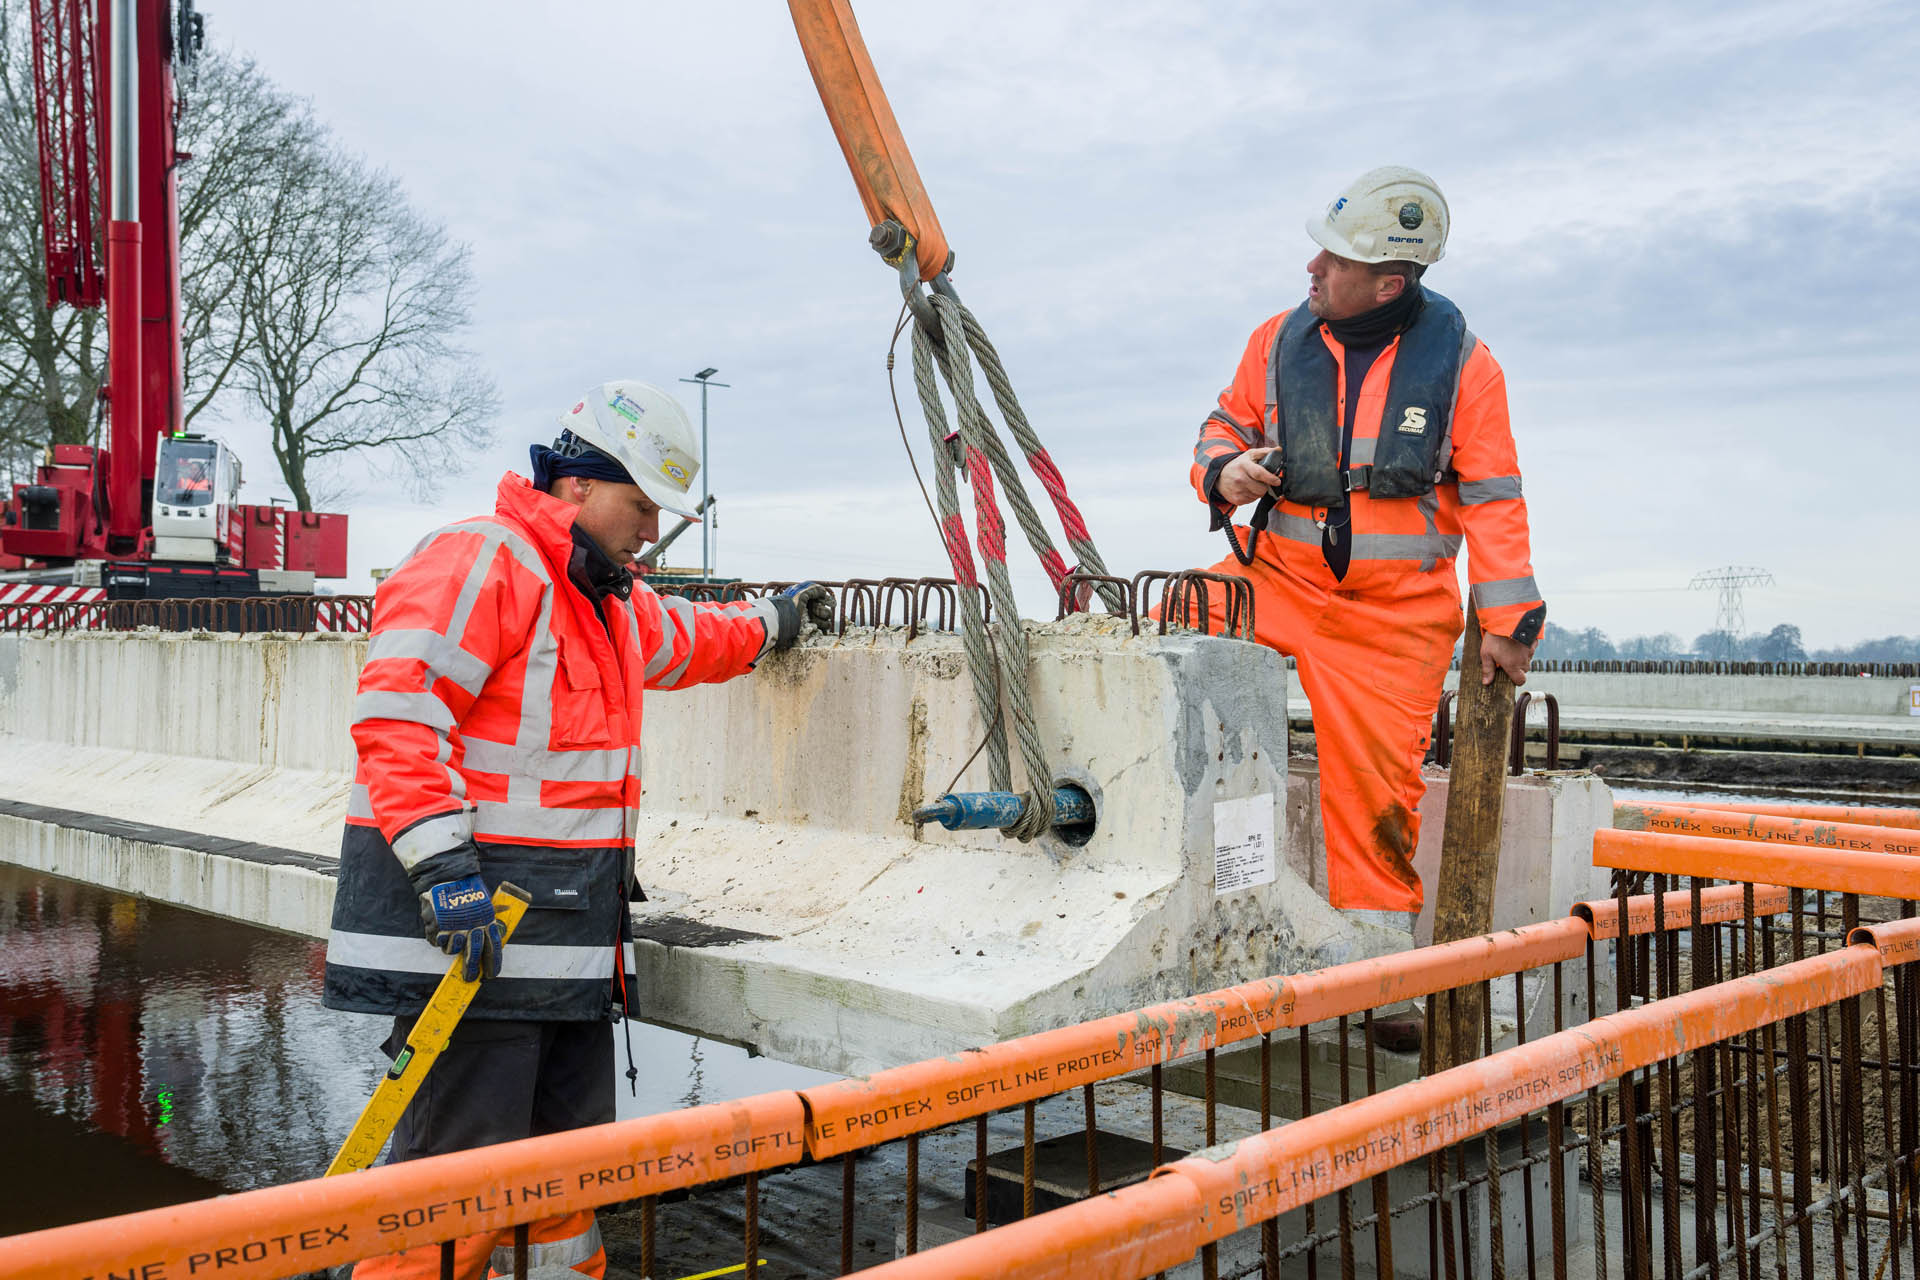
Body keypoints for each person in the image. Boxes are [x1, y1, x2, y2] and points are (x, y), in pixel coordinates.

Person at [322, 379, 832, 1279]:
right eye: (642, 506)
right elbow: (400, 718)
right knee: (453, 1198)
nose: (652, 531)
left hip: (565, 951)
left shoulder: (604, 601)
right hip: (476, 949)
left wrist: (773, 623)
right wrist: (443, 870)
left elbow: (691, 638)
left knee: (565, 1181)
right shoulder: (485, 561)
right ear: (579, 485)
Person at [1183, 166, 1544, 950]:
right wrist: (1223, 470)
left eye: (1335, 259)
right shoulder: (1275, 341)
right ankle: (1163, 877)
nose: (1312, 267)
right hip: (1273, 580)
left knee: (1375, 805)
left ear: (1388, 284)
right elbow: (1223, 425)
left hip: (1393, 618)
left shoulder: (1466, 366)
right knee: (1157, 640)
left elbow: (1493, 496)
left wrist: (1509, 621)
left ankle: (1378, 963)